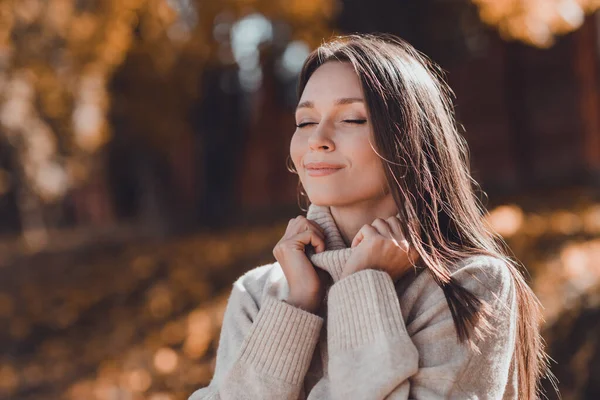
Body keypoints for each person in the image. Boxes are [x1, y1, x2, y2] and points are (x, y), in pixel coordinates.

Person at [188, 33, 552, 400]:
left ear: (408, 138)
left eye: (351, 118)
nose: (318, 139)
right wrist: (295, 307)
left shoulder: (468, 285)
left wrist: (362, 285)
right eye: (304, 121)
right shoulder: (258, 293)